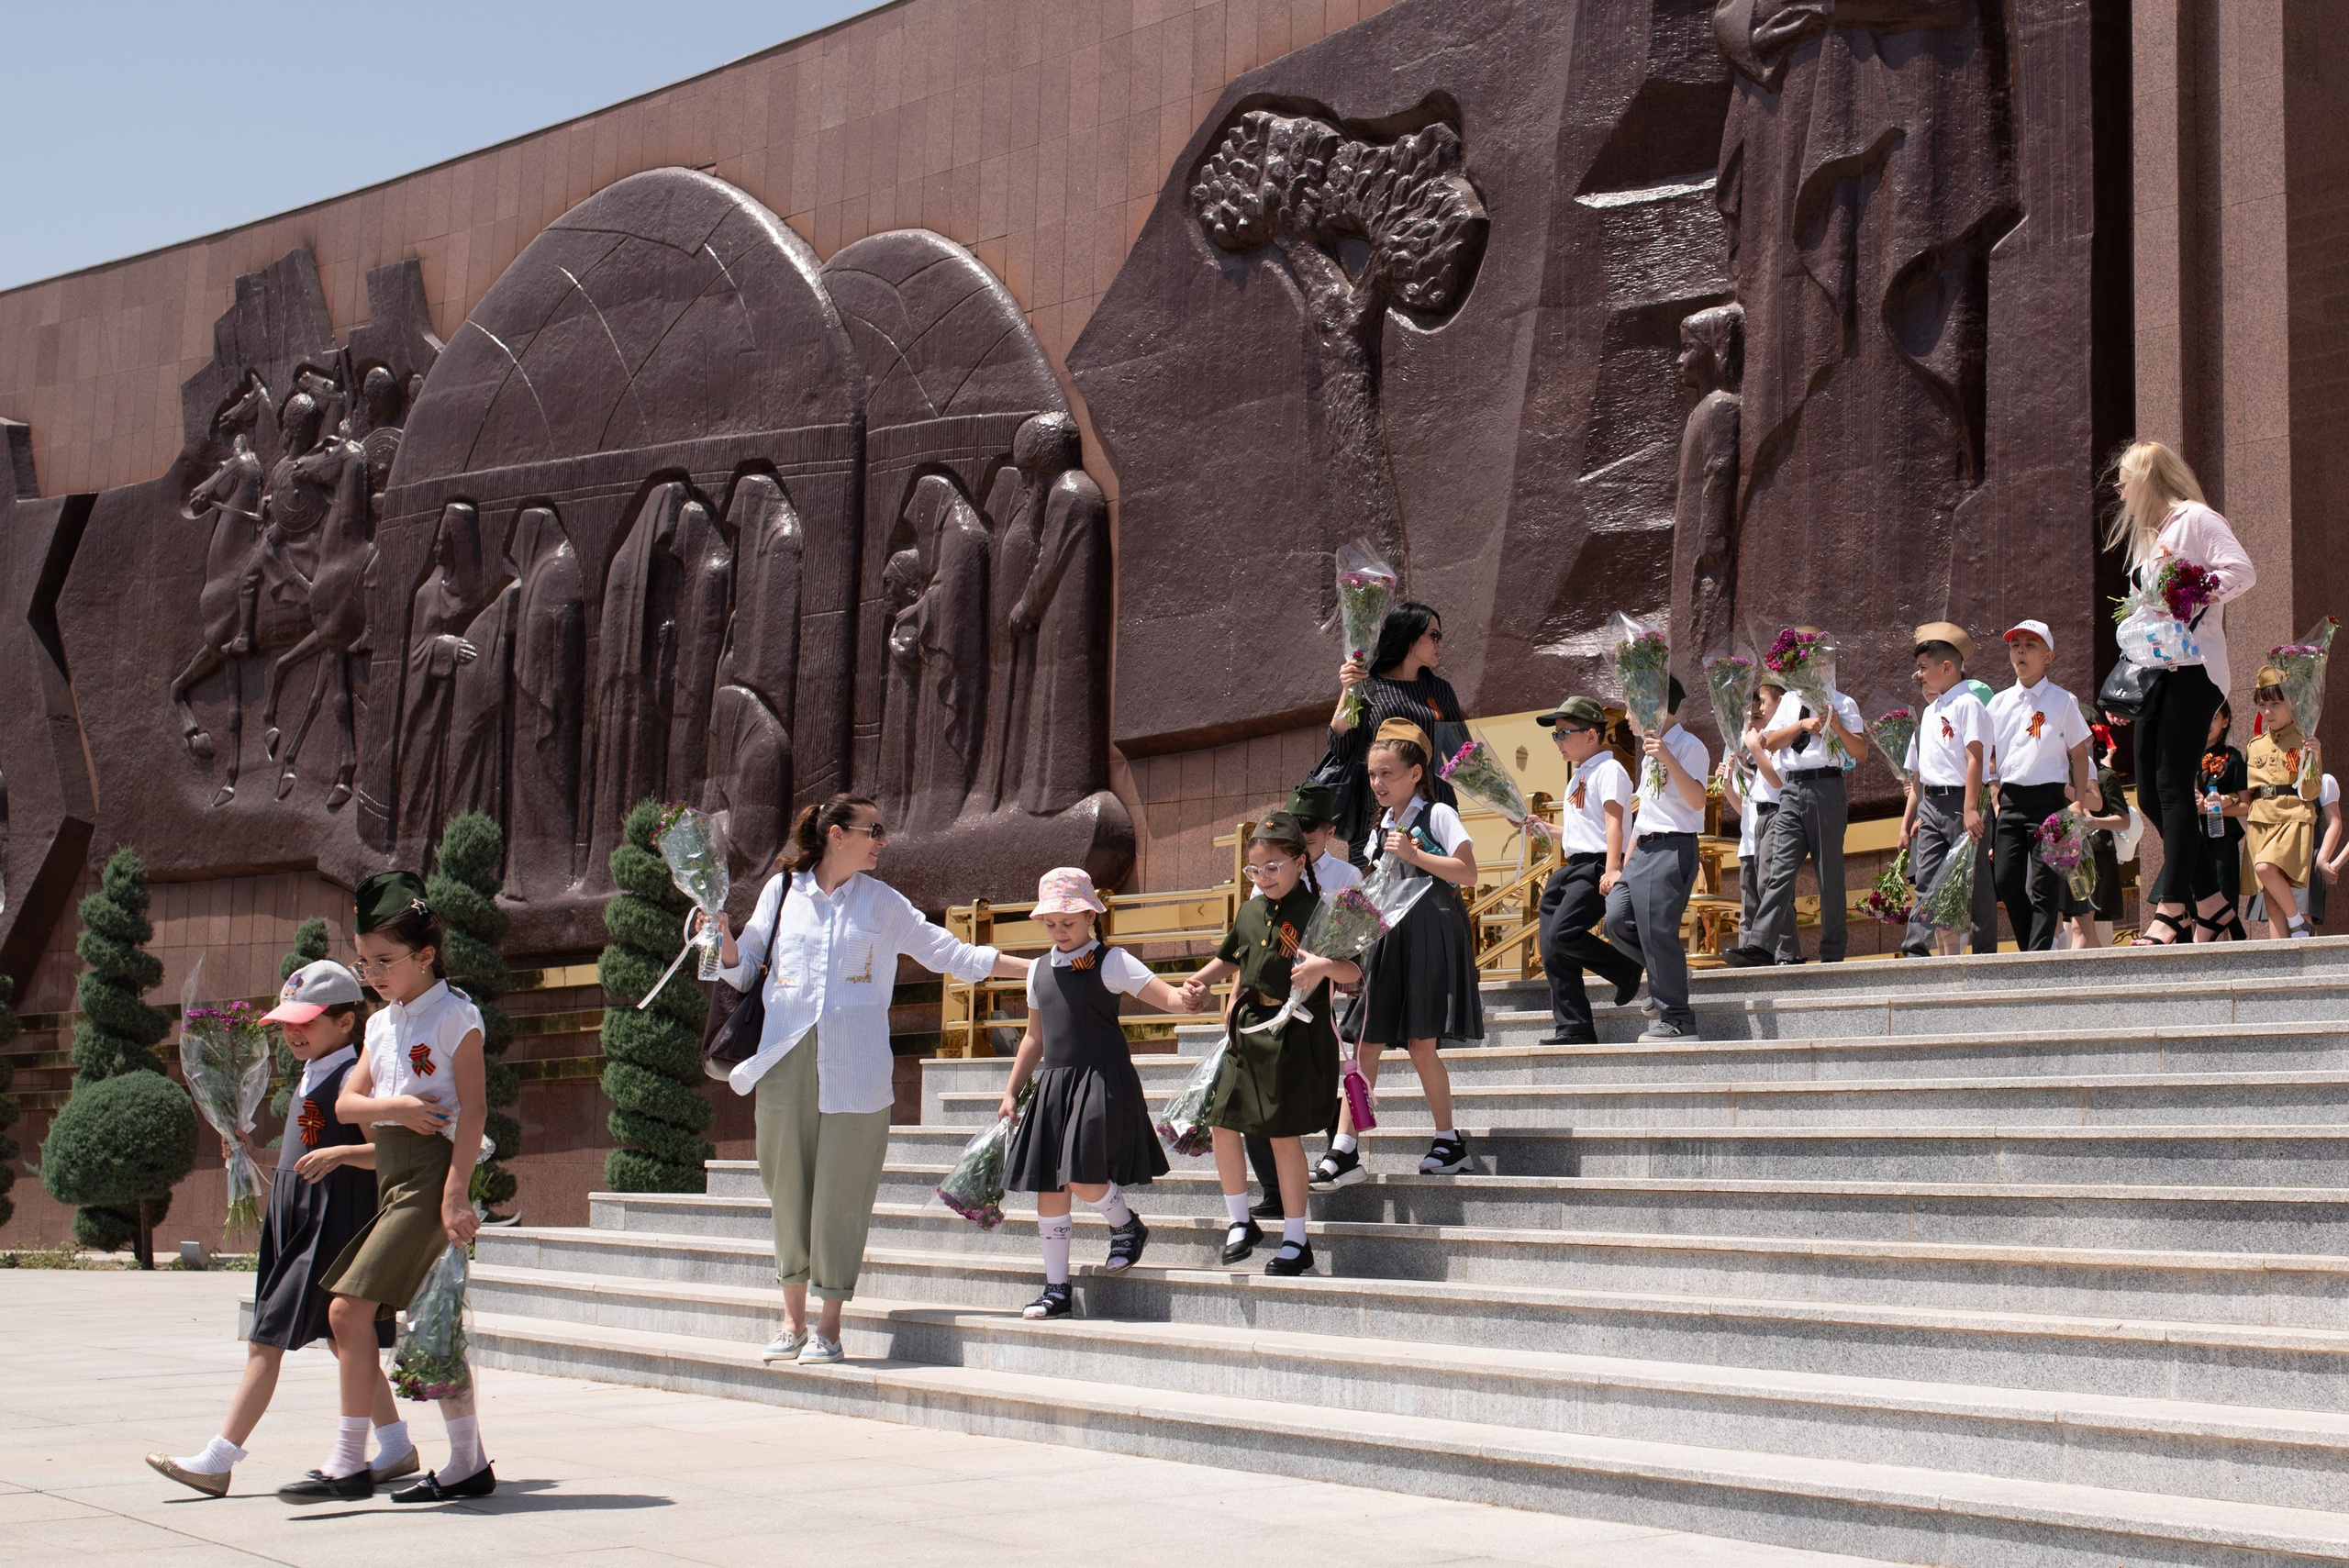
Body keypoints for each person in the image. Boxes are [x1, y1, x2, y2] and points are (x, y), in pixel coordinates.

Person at [707, 795, 1030, 1363]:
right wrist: (720, 933)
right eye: (873, 829)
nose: (883, 840)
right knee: (786, 1189)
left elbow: (948, 953)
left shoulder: (883, 903)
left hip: (857, 1071)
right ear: (836, 834)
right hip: (784, 1060)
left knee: (842, 1197)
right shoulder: (782, 892)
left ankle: (828, 1325)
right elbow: (740, 964)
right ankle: (791, 1319)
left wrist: (1037, 968)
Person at [147, 961, 411, 1499]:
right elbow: (301, 1154)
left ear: (345, 1022)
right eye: (288, 1022)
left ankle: (219, 1459)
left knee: (266, 1337)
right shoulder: (314, 1071)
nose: (293, 1032)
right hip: (298, 1215)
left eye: (307, 1021)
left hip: (332, 1220)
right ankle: (397, 1444)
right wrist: (249, 1148)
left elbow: (391, 1154)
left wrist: (340, 1153)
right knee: (345, 1341)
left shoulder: (351, 1076)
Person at [295, 873, 493, 1504]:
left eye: (385, 960)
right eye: (364, 961)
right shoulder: (380, 1025)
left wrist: (456, 1193)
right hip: (396, 1176)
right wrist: (400, 1105)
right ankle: (468, 1462)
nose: (372, 973)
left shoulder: (455, 1014)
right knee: (430, 1327)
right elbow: (350, 1102)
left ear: (426, 953)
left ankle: (350, 1461)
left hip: (434, 1178)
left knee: (345, 1311)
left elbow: (476, 1108)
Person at [998, 868, 1186, 1318]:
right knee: (1051, 1186)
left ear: (1090, 915)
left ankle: (1126, 1226)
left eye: (1068, 922)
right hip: (1055, 1084)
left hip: (1103, 1078)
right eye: (1050, 924)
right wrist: (1011, 1091)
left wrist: (1191, 997)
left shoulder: (1113, 960)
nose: (1060, 931)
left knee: (1081, 1173)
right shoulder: (1038, 970)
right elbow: (1033, 1038)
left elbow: (1170, 999)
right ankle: (1056, 1290)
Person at [1179, 815, 1360, 1274]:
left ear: (1300, 862)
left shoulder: (1323, 910)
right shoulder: (1250, 910)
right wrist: (1195, 984)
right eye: (1254, 871)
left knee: (1282, 1136)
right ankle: (1241, 1221)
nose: (1263, 878)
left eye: (1273, 868)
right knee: (1223, 1124)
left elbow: (1354, 974)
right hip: (1248, 1030)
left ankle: (1297, 1241)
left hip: (1295, 1032)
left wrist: (1322, 966)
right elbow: (1226, 959)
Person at [1309, 719, 1481, 1190]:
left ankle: (1449, 1141)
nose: (1377, 784)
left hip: (1429, 934)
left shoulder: (1438, 814)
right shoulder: (1379, 827)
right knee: (1367, 1042)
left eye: (1386, 773)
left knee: (1423, 1044)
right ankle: (1345, 1149)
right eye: (1372, 775)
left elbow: (1467, 872)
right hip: (1387, 940)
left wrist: (1416, 853)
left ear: (1415, 773)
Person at [2108, 440, 2256, 944]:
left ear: (2147, 478)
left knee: (2172, 784)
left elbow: (2242, 571)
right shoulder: (2151, 537)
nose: (2119, 487)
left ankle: (2173, 909)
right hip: (2156, 672)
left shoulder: (2196, 518)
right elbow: (2141, 616)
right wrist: (2128, 685)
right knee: (2149, 792)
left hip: (2195, 669)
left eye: (2124, 477)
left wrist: (2191, 588)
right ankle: (2214, 905)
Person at [1240, 782, 1361, 1218]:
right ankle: (1274, 1190)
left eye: (1310, 829)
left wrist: (1327, 966)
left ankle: (1338, 1156)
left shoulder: (1345, 876)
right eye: (1296, 827)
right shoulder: (1266, 876)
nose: (1303, 834)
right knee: (1256, 1102)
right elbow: (1251, 942)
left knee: (1316, 1087)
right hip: (1268, 1001)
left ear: (1329, 831)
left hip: (1318, 998)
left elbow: (1355, 939)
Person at [1723, 633, 1865, 965]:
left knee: (1828, 873)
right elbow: (1770, 742)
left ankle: (1832, 952)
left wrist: (1835, 726)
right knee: (1778, 869)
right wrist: (1803, 724)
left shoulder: (1843, 702)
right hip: (1791, 789)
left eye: (1813, 662)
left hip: (1827, 787)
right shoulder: (1789, 702)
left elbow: (1860, 752)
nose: (1807, 669)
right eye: (1800, 664)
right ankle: (1760, 945)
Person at [1530, 694, 1642, 1045]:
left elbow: (1614, 825)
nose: (1558, 741)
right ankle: (1574, 1026)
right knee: (1550, 947)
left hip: (1595, 866)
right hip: (1573, 865)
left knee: (1564, 934)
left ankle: (1625, 968)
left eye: (1564, 733)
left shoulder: (1608, 770)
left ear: (1591, 735)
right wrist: (1545, 829)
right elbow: (1584, 831)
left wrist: (1613, 869)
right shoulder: (1581, 773)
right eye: (1556, 735)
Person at [1603, 677, 1709, 1039]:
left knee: (1657, 931)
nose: (1627, 717)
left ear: (1655, 708)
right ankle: (1669, 969)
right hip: (1643, 851)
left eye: (1632, 708)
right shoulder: (1650, 752)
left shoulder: (1687, 746)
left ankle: (1678, 1020)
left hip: (1671, 847)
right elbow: (1644, 816)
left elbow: (1698, 801)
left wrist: (1667, 756)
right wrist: (1621, 866)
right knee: (1615, 922)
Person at [1987, 620, 2100, 951]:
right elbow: (1987, 756)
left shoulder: (2063, 700)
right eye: (2015, 644)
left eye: (2030, 645)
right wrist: (1995, 795)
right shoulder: (1998, 702)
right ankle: (2032, 950)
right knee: (2005, 879)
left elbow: (2080, 755)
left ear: (2048, 656)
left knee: (2044, 885)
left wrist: (2078, 802)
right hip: (2010, 801)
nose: (2020, 650)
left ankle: (2036, 957)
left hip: (2050, 800)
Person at [1326, 602, 1466, 863]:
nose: (1440, 643)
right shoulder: (1369, 686)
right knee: (1377, 897)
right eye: (1433, 635)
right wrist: (1348, 689)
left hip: (1434, 813)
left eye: (1441, 636)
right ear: (1409, 637)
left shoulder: (1441, 690)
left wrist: (1503, 803)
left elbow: (1462, 754)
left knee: (1433, 895)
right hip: (1379, 817)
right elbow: (1340, 745)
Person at [1898, 628, 1993, 959]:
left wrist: (1970, 809)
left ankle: (1984, 954)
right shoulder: (1930, 711)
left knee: (1976, 882)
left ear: (1948, 667)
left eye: (1924, 667)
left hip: (1958, 802)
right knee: (1926, 878)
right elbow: (1926, 768)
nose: (1919, 674)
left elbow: (1975, 758)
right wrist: (1920, 810)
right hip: (1932, 804)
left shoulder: (1969, 704)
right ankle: (1914, 949)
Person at [2244, 667, 2322, 939]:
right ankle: (2281, 960)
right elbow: (2248, 794)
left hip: (2292, 815)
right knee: (2270, 894)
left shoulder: (2303, 739)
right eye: (2263, 704)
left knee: (2265, 868)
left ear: (2292, 704)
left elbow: (2311, 791)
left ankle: (2299, 922)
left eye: (2276, 703)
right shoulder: (2255, 745)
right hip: (2260, 818)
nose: (2268, 711)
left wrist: (2314, 756)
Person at [1728, 680, 1790, 961]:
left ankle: (1785, 953)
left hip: (1776, 815)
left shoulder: (1776, 741)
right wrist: (1735, 776)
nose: (1752, 721)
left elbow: (1778, 782)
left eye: (1758, 712)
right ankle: (1752, 954)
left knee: (1770, 887)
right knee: (1751, 898)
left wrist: (1754, 751)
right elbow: (1749, 800)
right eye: (1748, 718)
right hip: (1755, 829)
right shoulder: (1756, 752)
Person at [2189, 701, 2251, 941]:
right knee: (2190, 904)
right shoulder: (2186, 754)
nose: (2207, 722)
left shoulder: (2231, 757)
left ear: (2225, 722)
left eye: (2214, 717)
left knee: (2222, 905)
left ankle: (2226, 963)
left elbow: (2246, 805)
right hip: (2191, 838)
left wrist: (2212, 808)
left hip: (2221, 840)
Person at [2072, 717, 2132, 949]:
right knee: (2076, 926)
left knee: (2089, 925)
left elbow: (2123, 821)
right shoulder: (2060, 771)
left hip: (2097, 856)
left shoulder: (2106, 776)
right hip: (2069, 858)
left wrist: (2093, 821)